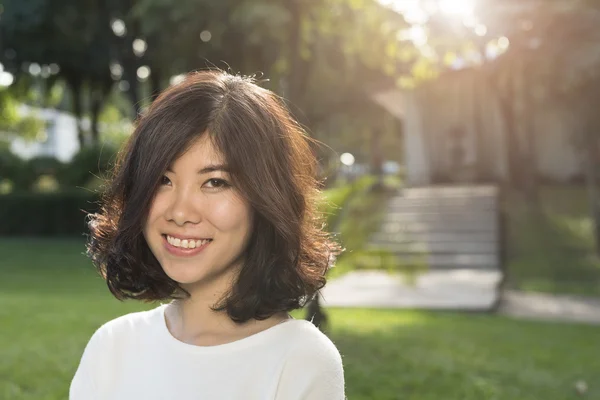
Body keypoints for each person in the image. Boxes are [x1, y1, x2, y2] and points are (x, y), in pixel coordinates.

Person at [70, 70, 345, 399]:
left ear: (266, 199)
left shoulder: (299, 359)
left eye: (215, 182)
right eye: (163, 179)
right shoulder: (112, 347)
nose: (181, 212)